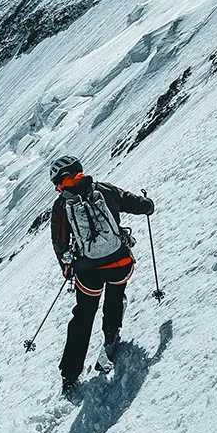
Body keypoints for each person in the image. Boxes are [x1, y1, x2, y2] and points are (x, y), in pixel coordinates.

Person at [47, 155, 154, 395]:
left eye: (57, 184)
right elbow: (134, 203)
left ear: (62, 181)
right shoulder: (104, 190)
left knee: (83, 317)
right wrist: (148, 204)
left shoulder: (61, 206)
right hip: (120, 262)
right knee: (114, 298)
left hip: (88, 273)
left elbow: (59, 243)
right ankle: (111, 334)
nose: (57, 189)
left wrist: (66, 268)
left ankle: (70, 374)